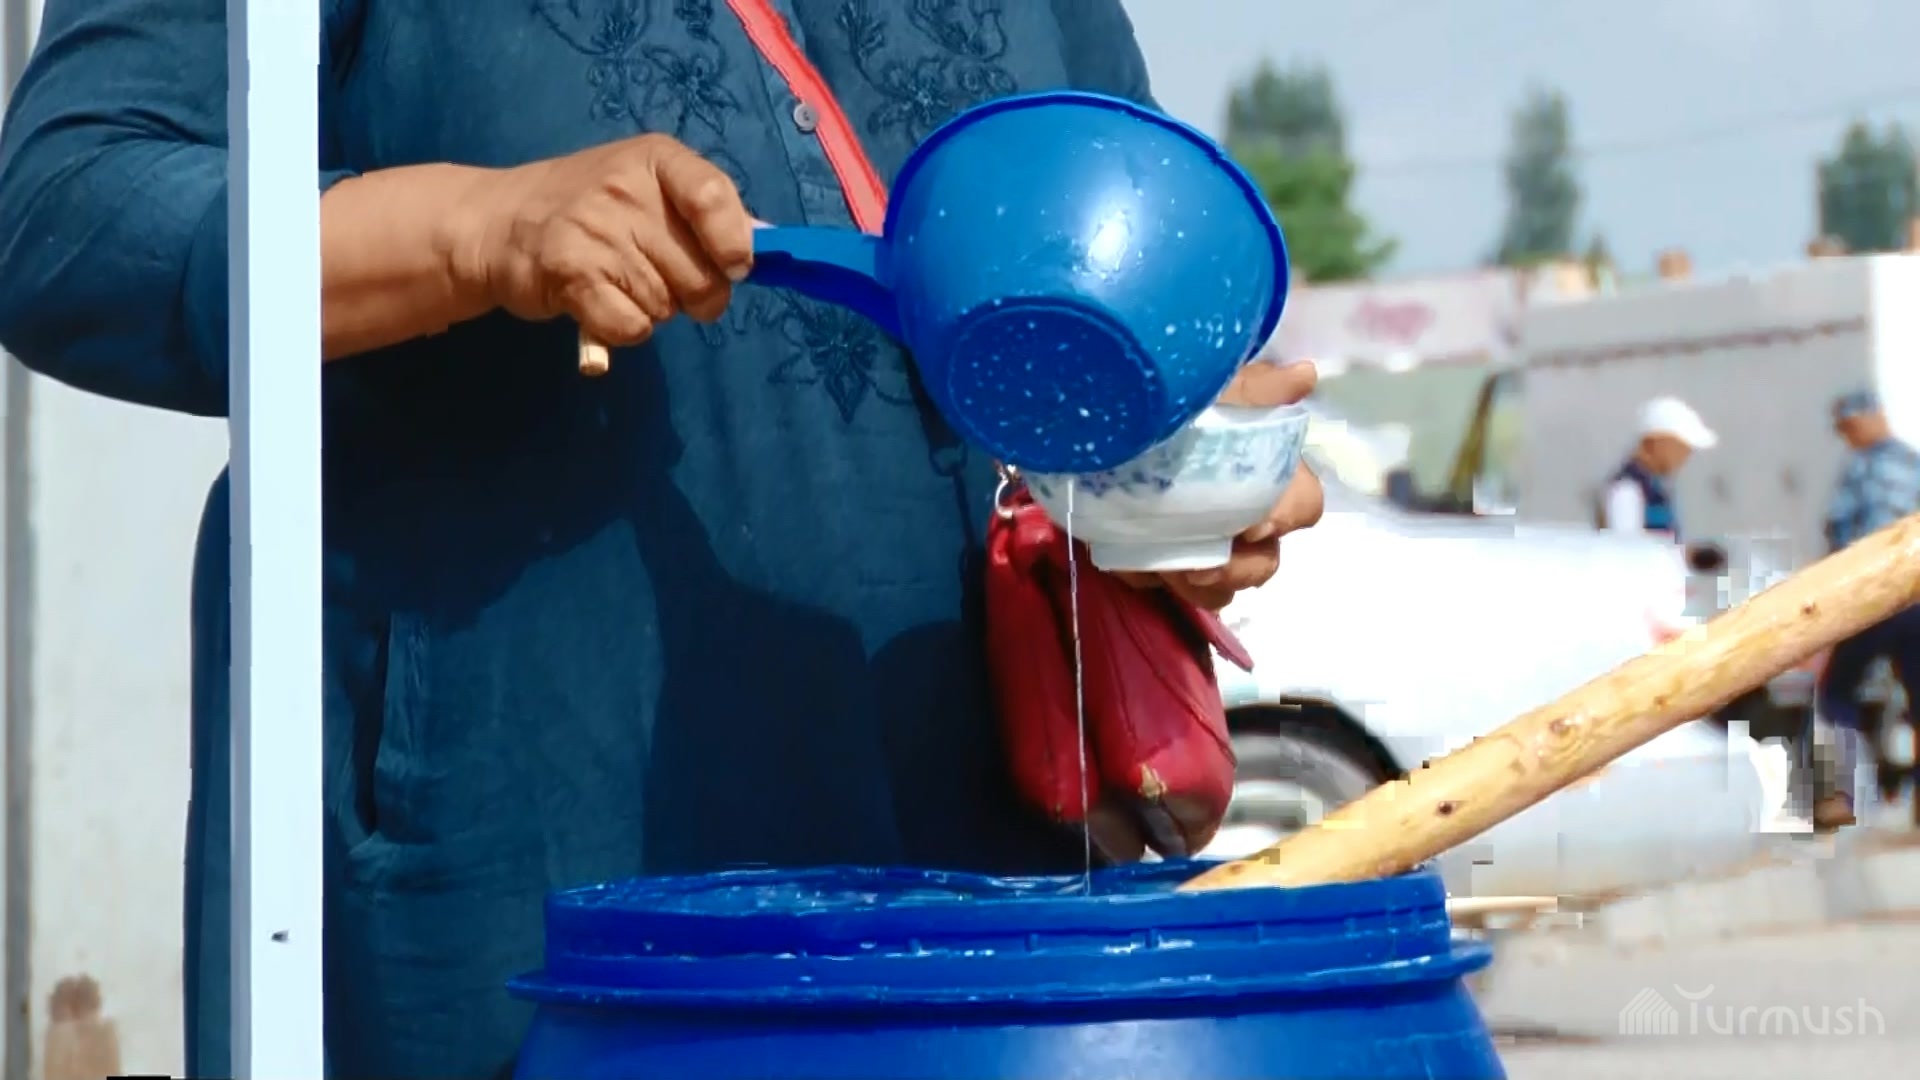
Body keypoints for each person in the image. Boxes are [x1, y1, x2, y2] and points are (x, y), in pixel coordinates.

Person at [0, 2, 1325, 1076]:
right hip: (523, 876)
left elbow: (1118, 281)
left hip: (971, 896)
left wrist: (1179, 477)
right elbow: (70, 209)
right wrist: (479, 230)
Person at [1812, 390, 1920, 831]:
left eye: (1848, 428)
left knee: (1836, 693)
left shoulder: (1860, 469)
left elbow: (1840, 532)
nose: (1848, 437)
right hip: (1916, 596)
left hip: (1873, 597)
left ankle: (1841, 794)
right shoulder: (1913, 463)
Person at [1597, 396, 1718, 538]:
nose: (1686, 455)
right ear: (1656, 442)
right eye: (1681, 447)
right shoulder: (1626, 489)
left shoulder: (1656, 488)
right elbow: (1626, 546)